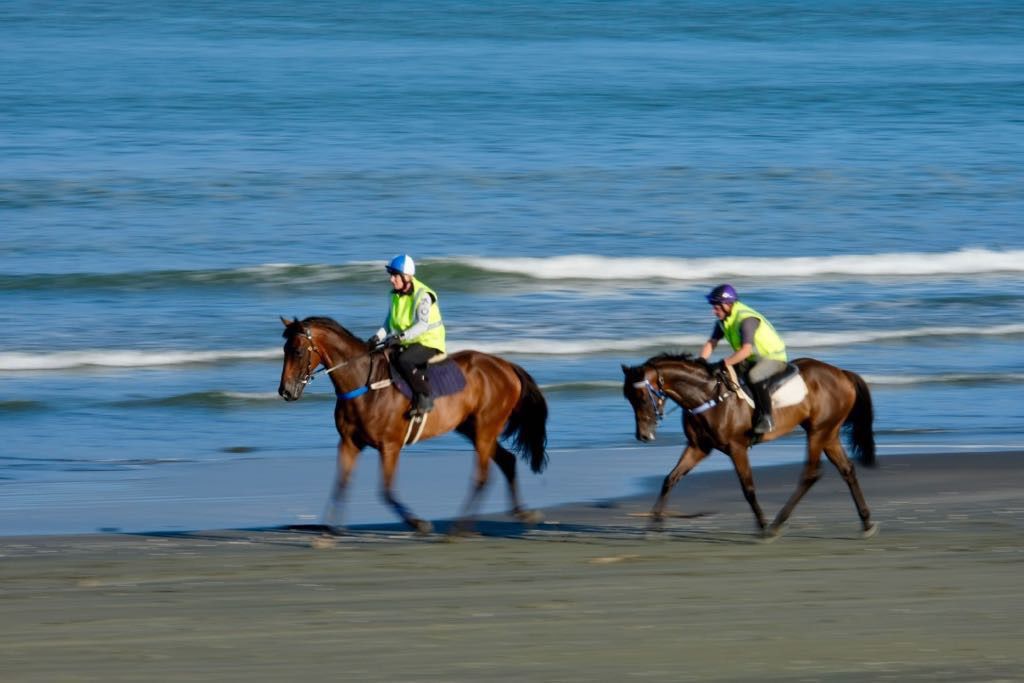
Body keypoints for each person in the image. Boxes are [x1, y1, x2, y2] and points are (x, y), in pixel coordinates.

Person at [698, 284, 787, 434]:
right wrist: (700, 361)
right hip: (752, 359)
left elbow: (745, 351)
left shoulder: (746, 319)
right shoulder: (723, 321)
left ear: (727, 304)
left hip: (773, 358)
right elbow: (711, 343)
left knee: (754, 376)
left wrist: (722, 363)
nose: (713, 310)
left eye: (716, 307)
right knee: (723, 376)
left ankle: (766, 418)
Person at [368, 254, 446, 416]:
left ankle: (425, 395)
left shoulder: (423, 295)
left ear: (407, 277)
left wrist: (399, 338)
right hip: (409, 341)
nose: (391, 279)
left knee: (404, 360)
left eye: (395, 276)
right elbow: (389, 321)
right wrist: (377, 338)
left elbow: (422, 325)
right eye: (391, 275)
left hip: (429, 342)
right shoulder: (394, 295)